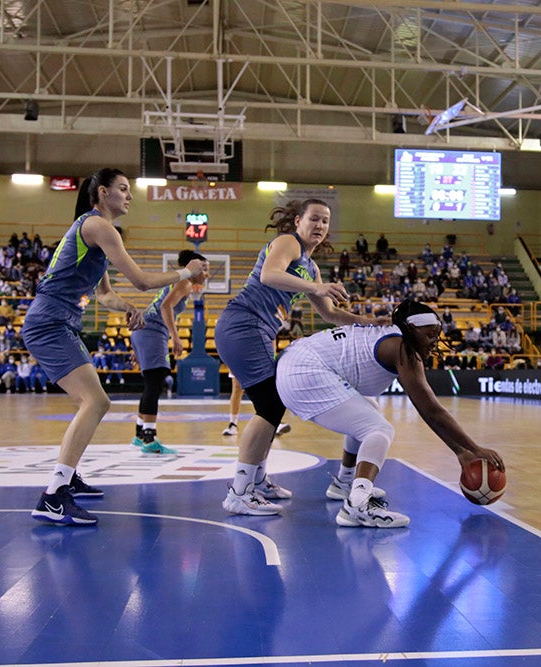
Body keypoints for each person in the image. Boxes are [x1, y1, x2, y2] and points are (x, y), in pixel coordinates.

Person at [24, 168, 207, 526]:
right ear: (102, 192)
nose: (129, 196)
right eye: (123, 189)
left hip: (59, 322)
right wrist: (187, 272)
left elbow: (105, 294)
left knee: (89, 403)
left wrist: (128, 309)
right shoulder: (97, 226)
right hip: (50, 322)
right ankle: (53, 496)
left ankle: (68, 474)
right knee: (97, 402)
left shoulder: (94, 231)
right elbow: (141, 280)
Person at [214, 198, 386, 516]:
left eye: (325, 221)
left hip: (259, 333)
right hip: (242, 325)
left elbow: (331, 315)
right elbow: (269, 274)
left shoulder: (310, 266)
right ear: (298, 221)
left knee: (273, 405)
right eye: (314, 219)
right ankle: (239, 491)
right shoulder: (287, 243)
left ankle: (258, 480)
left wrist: (370, 324)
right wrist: (316, 287)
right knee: (270, 405)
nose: (320, 226)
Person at [276, 300, 504, 527]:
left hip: (296, 362)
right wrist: (472, 449)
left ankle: (345, 482)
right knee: (378, 429)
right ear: (412, 328)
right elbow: (431, 410)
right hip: (305, 371)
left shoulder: (392, 335)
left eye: (436, 335)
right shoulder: (402, 347)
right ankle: (357, 506)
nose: (434, 342)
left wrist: (460, 452)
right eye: (430, 334)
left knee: (369, 410)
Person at [129, 249, 210, 454]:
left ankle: (140, 434)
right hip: (151, 331)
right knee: (155, 381)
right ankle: (149, 438)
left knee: (152, 382)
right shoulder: (185, 282)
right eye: (204, 268)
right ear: (193, 266)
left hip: (144, 331)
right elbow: (165, 307)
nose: (206, 273)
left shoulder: (182, 283)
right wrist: (175, 336)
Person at [222, 375, 291, 437]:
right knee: (237, 387)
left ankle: (275, 423)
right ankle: (233, 424)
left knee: (263, 387)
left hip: (256, 362)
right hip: (238, 362)